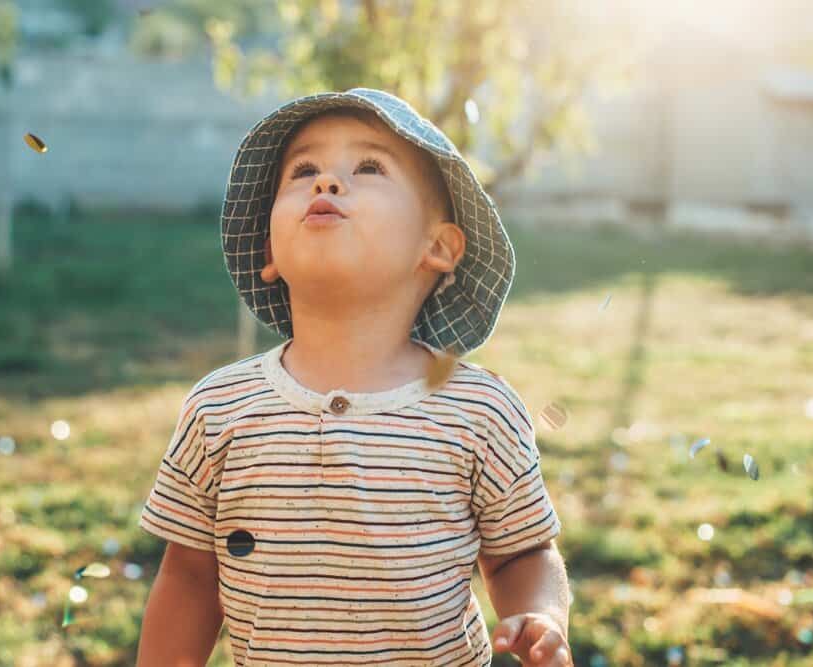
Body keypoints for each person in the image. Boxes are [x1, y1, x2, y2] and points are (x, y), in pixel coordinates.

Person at [136, 88, 572, 667]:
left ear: (437, 245)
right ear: (268, 247)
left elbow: (522, 553)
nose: (327, 182)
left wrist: (541, 615)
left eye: (368, 167)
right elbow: (190, 576)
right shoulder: (219, 408)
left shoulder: (479, 411)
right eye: (304, 170)